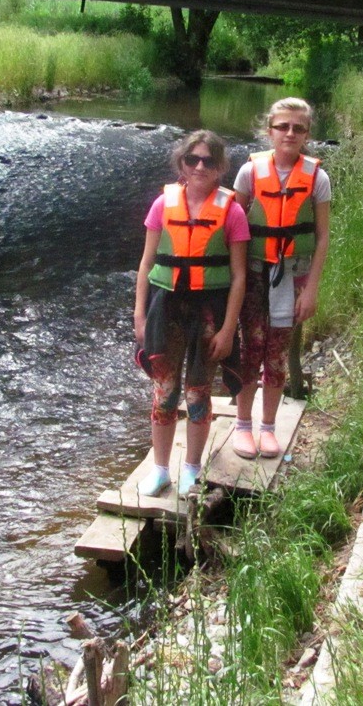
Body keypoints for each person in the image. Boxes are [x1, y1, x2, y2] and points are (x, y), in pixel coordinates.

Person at [134, 130, 249, 498]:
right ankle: (161, 469)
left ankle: (193, 469)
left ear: (220, 167)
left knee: (198, 394)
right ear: (181, 163)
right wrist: (139, 314)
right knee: (164, 393)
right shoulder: (161, 206)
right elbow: (146, 264)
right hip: (165, 309)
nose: (200, 166)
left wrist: (229, 328)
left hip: (208, 313)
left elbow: (238, 276)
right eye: (192, 159)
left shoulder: (231, 211)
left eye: (209, 161)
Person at [232, 98, 330, 459]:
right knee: (249, 349)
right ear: (269, 130)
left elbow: (322, 237)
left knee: (276, 354)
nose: (290, 133)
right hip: (254, 275)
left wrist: (312, 288)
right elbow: (233, 228)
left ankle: (268, 427)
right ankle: (243, 425)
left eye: (298, 128)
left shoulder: (318, 178)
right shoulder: (249, 173)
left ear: (307, 134)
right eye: (283, 126)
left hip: (293, 275)